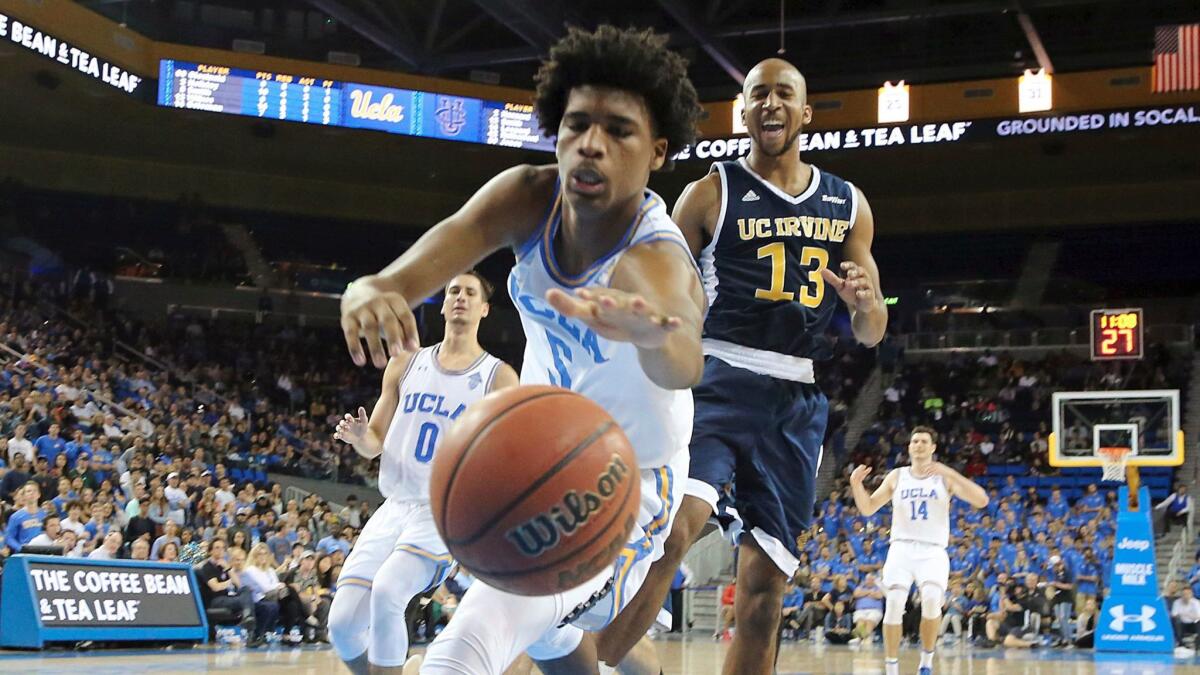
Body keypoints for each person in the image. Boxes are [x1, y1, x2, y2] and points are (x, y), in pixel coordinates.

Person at [341, 24, 705, 675]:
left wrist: (655, 333)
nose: (590, 144)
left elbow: (685, 356)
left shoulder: (656, 256)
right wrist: (375, 287)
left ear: (656, 151)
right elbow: (434, 254)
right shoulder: (528, 196)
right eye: (576, 124)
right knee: (547, 631)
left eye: (618, 130)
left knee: (462, 648)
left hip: (625, 481)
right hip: (536, 448)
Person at [595, 56, 887, 675]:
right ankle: (582, 666)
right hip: (717, 380)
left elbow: (871, 332)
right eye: (759, 94)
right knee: (674, 533)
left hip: (797, 399)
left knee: (763, 596)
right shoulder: (708, 191)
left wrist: (864, 305)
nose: (771, 104)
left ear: (805, 113)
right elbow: (660, 284)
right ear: (744, 111)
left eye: (785, 94)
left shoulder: (847, 203)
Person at [328, 270, 518, 674]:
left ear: (484, 309)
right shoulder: (406, 362)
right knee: (342, 626)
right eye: (453, 291)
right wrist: (360, 438)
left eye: (470, 292)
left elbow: (505, 457)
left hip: (443, 512)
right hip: (394, 506)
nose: (460, 297)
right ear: (444, 304)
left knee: (389, 591)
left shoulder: (498, 377)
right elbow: (374, 442)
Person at [849, 427, 989, 675]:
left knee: (933, 602)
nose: (919, 444)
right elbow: (868, 508)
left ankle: (926, 663)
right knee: (893, 604)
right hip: (901, 548)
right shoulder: (897, 476)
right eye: (915, 441)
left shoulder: (944, 477)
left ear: (933, 447)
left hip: (933, 550)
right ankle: (891, 668)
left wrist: (947, 470)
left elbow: (982, 500)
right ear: (909, 447)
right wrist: (856, 485)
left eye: (924, 441)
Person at [1173, 585, 1200, 655]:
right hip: (1182, 624)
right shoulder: (1177, 602)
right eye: (1184, 594)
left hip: (1193, 624)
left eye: (1188, 594)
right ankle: (1180, 645)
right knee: (1176, 621)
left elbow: (1198, 616)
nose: (1186, 596)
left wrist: (1184, 614)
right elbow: (1174, 615)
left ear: (1191, 594)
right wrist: (1190, 615)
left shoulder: (1196, 603)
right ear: (1181, 594)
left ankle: (1197, 647)